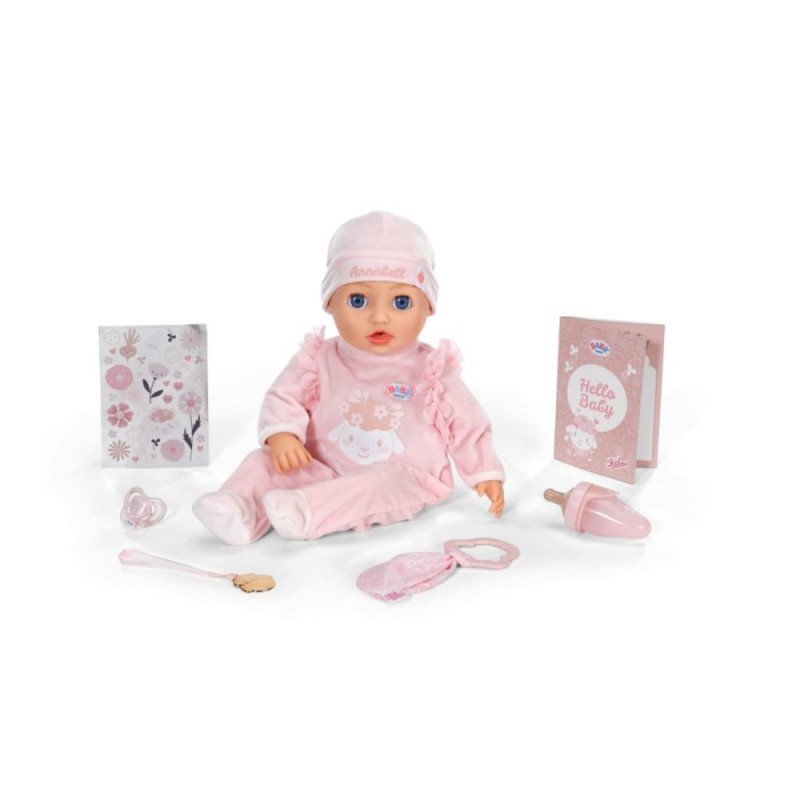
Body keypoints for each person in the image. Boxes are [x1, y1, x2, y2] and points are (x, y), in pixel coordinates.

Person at [193, 210, 505, 543]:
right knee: (263, 461)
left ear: (428, 307)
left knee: (383, 481)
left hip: (407, 477)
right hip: (322, 468)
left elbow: (467, 423)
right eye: (358, 300)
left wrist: (484, 471)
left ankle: (307, 512)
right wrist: (282, 435)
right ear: (330, 303)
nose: (379, 316)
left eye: (401, 302)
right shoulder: (318, 357)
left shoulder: (432, 370)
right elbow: (284, 396)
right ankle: (237, 508)